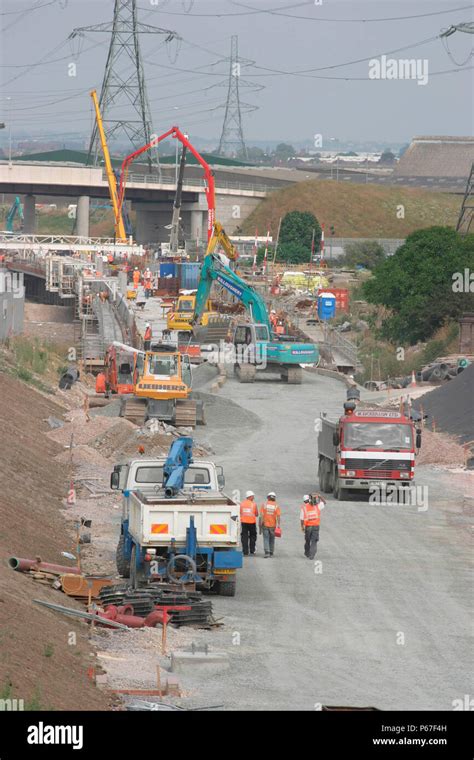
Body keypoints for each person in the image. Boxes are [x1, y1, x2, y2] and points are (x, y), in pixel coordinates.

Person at [300, 493, 326, 560]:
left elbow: (302, 519)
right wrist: (320, 496)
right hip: (315, 526)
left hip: (308, 527)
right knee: (314, 541)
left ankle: (307, 553)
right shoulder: (317, 506)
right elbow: (324, 502)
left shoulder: (304, 508)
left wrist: (302, 527)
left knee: (307, 540)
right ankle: (312, 555)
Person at [259, 492, 281, 558]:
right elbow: (278, 516)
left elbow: (261, 515)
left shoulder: (264, 505)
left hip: (265, 524)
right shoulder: (276, 506)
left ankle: (267, 552)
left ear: (268, 497)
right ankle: (271, 552)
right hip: (273, 526)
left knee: (266, 538)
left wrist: (260, 524)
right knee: (272, 539)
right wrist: (278, 525)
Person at [240, 490, 258, 556]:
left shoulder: (242, 504)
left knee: (244, 537)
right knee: (253, 536)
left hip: (244, 522)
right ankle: (252, 551)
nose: (253, 497)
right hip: (252, 522)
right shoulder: (254, 504)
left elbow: (240, 512)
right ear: (250, 497)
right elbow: (256, 514)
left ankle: (245, 552)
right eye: (253, 496)